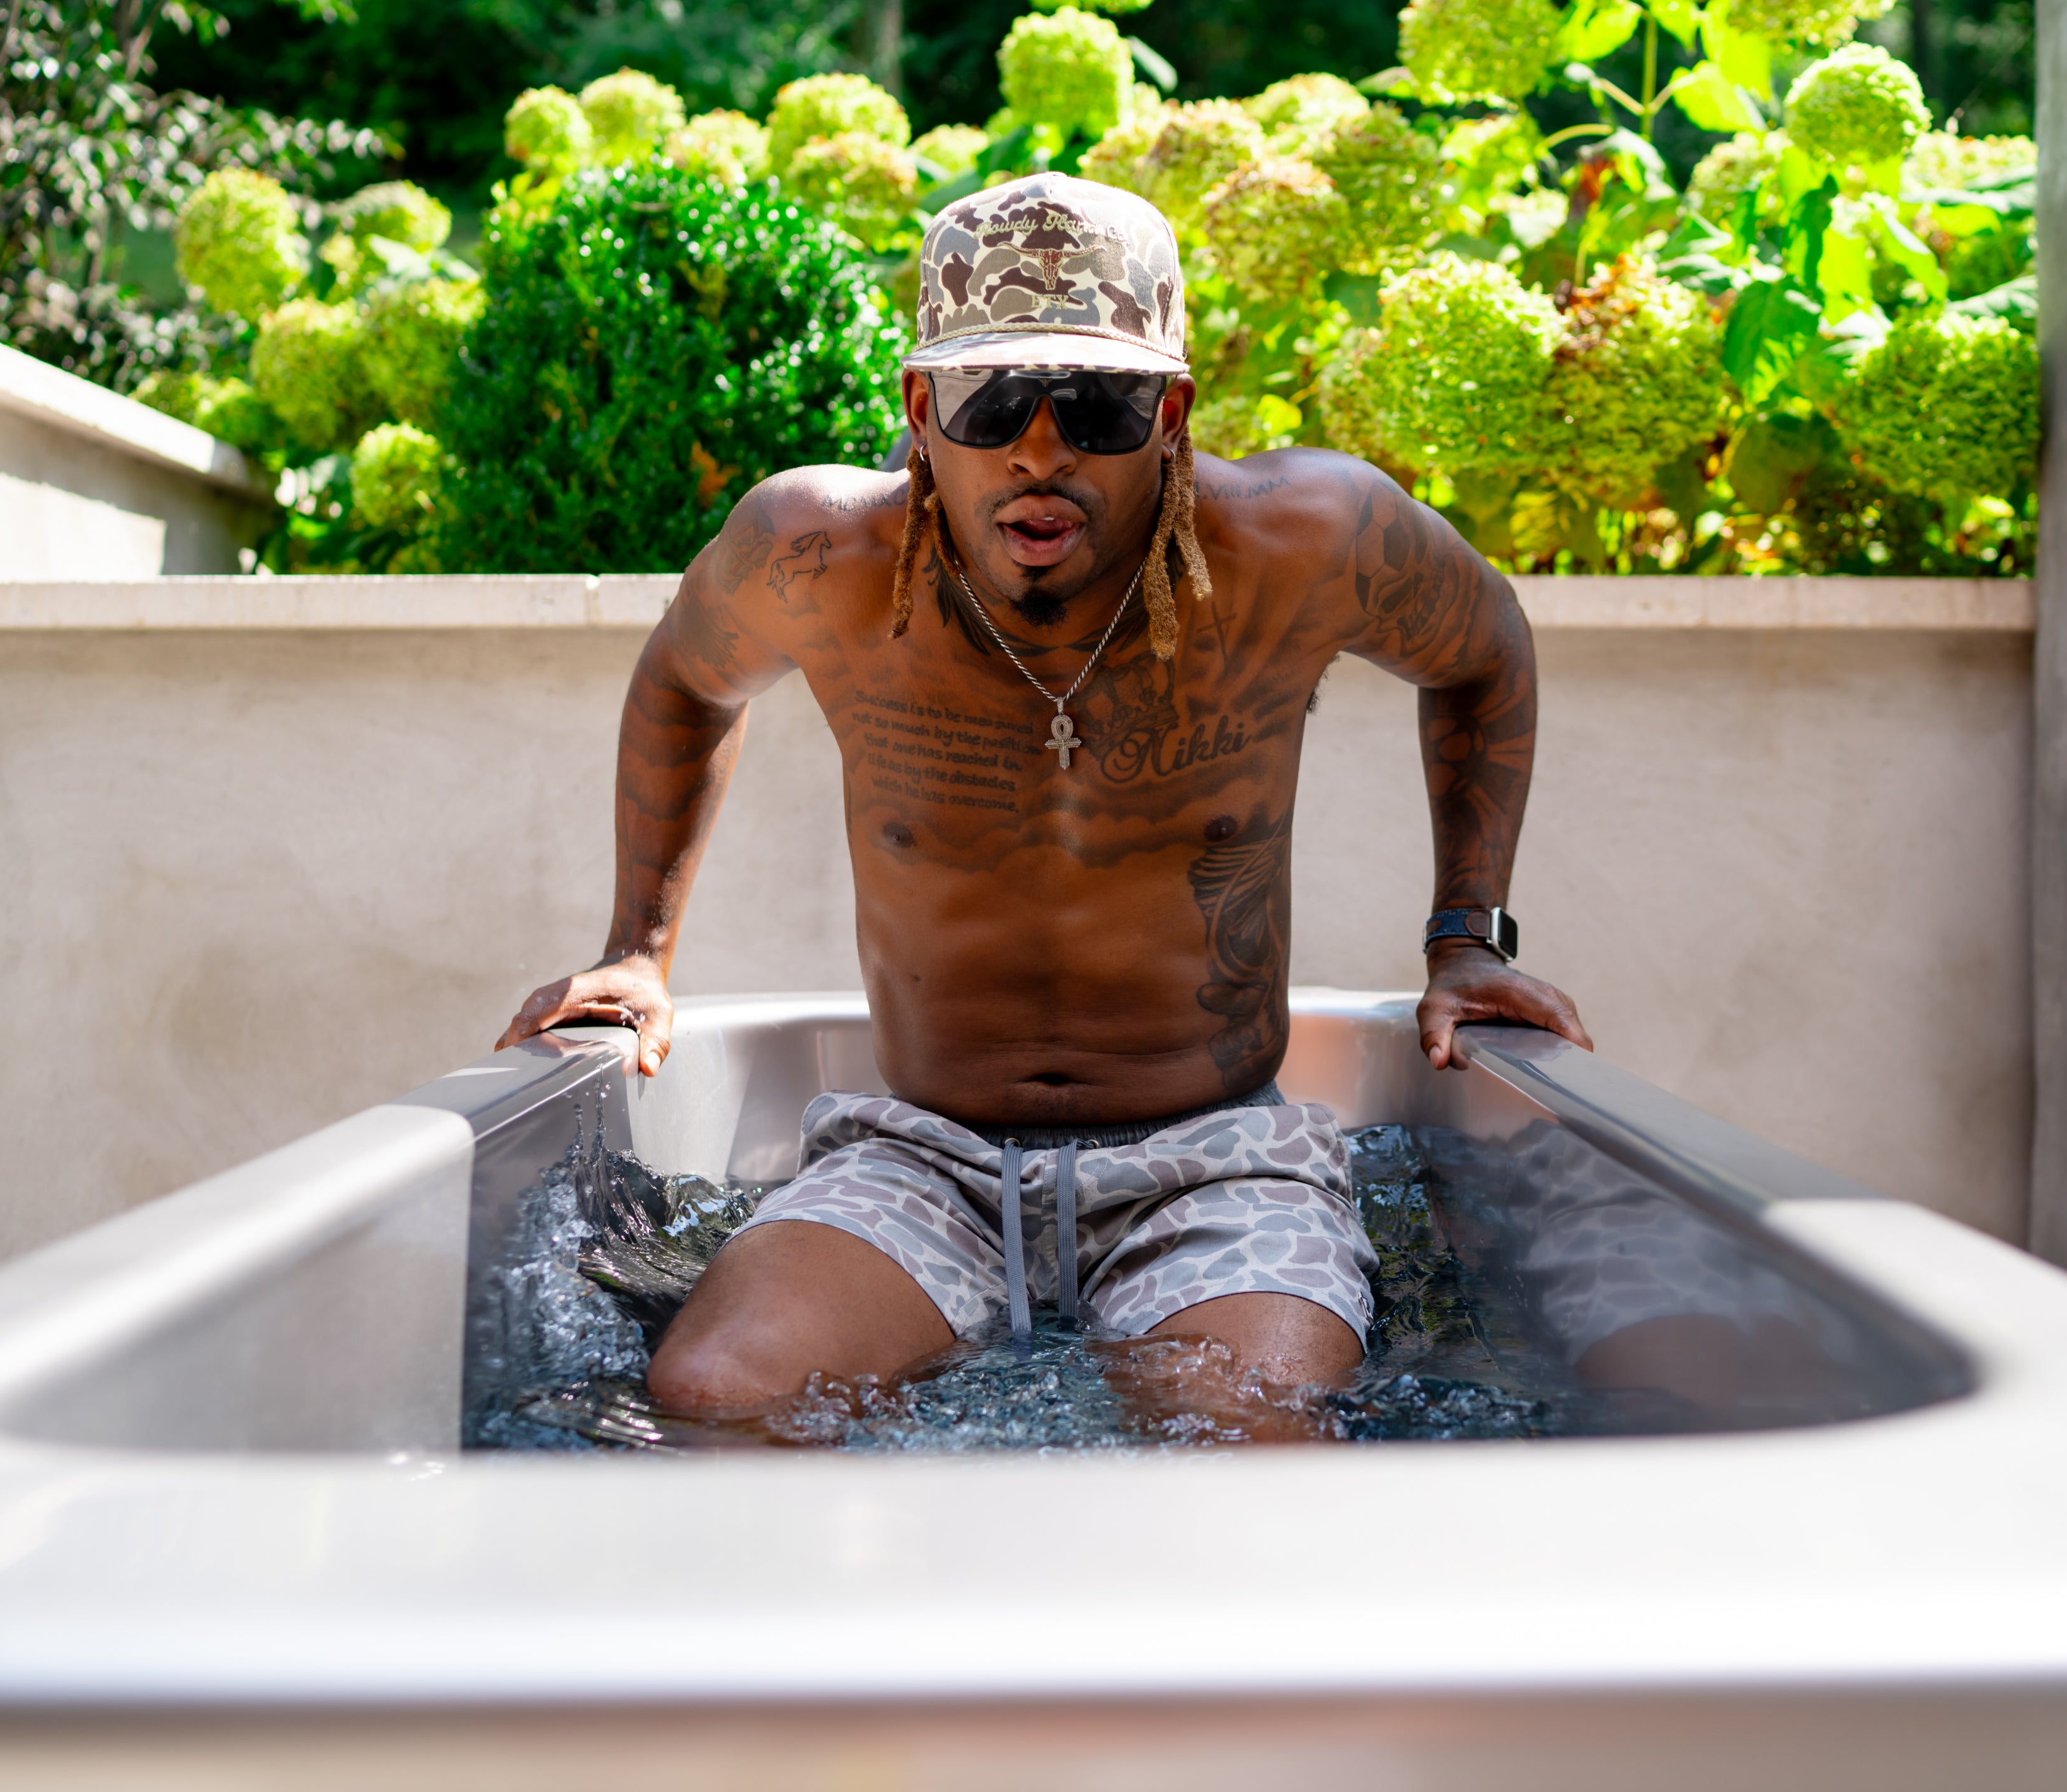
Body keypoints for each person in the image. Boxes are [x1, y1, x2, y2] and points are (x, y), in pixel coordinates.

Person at [498, 173, 1589, 1422]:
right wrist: (637, 951)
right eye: (990, 396)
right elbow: (685, 683)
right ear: (918, 405)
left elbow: (1484, 644)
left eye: (1097, 403)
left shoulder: (1305, 544)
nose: (1038, 446)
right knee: (713, 1391)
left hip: (1214, 1156)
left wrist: (1467, 936)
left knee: (1247, 1423)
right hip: (924, 1151)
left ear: (1172, 411)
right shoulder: (814, 558)